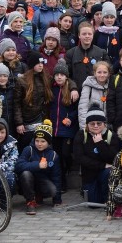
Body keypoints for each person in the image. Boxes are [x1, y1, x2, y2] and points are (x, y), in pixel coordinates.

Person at [73, 105, 121, 203]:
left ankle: (108, 197)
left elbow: (113, 157)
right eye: (92, 123)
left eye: (99, 123)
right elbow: (79, 158)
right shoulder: (81, 135)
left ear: (104, 124)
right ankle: (87, 191)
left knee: (109, 172)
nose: (95, 126)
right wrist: (102, 165)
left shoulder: (111, 136)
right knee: (93, 203)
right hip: (89, 174)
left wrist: (100, 144)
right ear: (87, 124)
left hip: (105, 174)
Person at [15, 120, 62, 214]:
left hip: (42, 181)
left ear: (49, 142)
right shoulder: (29, 149)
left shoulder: (53, 155)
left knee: (53, 190)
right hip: (28, 181)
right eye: (37, 141)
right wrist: (37, 165)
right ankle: (30, 201)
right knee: (26, 174)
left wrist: (57, 200)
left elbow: (56, 177)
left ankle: (39, 196)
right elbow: (18, 166)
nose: (39, 144)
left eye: (43, 141)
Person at [13, 51, 54, 150]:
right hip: (27, 121)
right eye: (38, 63)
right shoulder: (22, 80)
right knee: (27, 148)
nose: (41, 65)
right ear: (32, 64)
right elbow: (16, 103)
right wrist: (19, 123)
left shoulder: (47, 78)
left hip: (42, 119)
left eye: (42, 63)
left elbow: (62, 80)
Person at [49, 60, 78, 191]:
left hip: (66, 129)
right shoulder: (52, 87)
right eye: (57, 74)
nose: (59, 77)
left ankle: (66, 173)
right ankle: (61, 182)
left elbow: (77, 108)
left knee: (66, 154)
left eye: (62, 74)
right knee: (57, 156)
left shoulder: (71, 89)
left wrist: (70, 118)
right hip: (54, 129)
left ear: (66, 76)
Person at [65, 22, 108, 90]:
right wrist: (73, 88)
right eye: (84, 34)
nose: (87, 36)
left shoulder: (101, 53)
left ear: (93, 35)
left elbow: (107, 74)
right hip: (77, 92)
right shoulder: (71, 53)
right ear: (79, 35)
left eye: (89, 34)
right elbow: (67, 75)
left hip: (97, 91)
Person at [78, 60, 111, 130]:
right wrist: (84, 128)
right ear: (94, 73)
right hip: (92, 127)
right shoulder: (88, 86)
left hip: (106, 128)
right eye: (99, 72)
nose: (102, 75)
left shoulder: (112, 86)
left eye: (105, 72)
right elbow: (82, 108)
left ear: (108, 74)